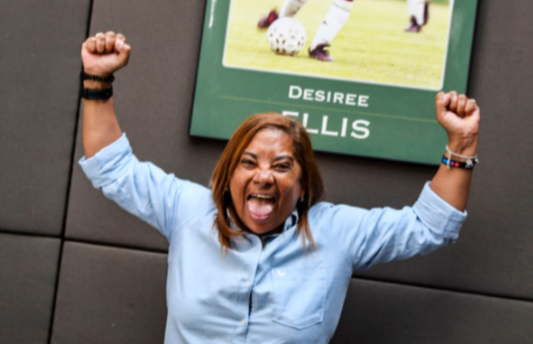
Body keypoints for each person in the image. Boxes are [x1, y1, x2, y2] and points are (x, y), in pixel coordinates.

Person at [79, 32, 480, 344]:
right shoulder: (188, 211)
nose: (264, 176)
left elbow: (429, 227)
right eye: (249, 162)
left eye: (282, 166)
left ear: (303, 185)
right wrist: (97, 78)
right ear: (228, 175)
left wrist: (460, 146)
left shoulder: (336, 232)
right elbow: (113, 168)